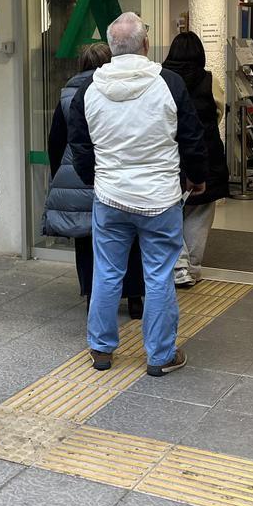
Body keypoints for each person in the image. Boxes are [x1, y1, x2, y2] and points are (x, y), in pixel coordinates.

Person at [68, 13, 208, 377]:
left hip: (110, 197)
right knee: (159, 276)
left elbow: (79, 144)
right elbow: (192, 136)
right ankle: (160, 356)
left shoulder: (89, 89)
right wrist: (197, 178)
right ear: (146, 45)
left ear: (112, 48)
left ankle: (101, 349)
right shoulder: (169, 83)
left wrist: (93, 180)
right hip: (160, 199)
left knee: (108, 273)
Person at [40, 43, 145, 320]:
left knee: (85, 238)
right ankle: (135, 298)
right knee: (128, 235)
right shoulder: (120, 91)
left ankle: (91, 297)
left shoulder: (67, 95)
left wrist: (59, 176)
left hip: (76, 175)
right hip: (114, 174)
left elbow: (56, 143)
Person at [163, 31, 230, 288]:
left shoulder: (162, 77)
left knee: (170, 211)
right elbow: (219, 112)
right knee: (200, 211)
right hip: (206, 151)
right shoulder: (208, 79)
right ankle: (192, 267)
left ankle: (179, 266)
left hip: (170, 153)